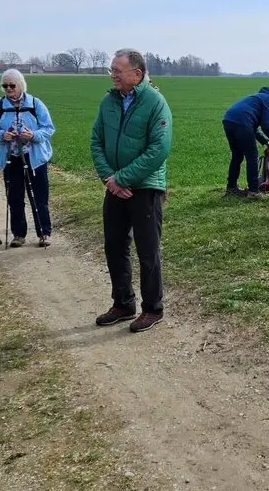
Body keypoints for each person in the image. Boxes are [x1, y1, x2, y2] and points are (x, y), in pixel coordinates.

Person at [90, 49, 173, 333]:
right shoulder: (108, 102)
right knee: (114, 246)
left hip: (145, 187)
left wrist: (123, 178)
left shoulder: (155, 102)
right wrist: (109, 178)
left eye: (117, 70)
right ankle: (123, 303)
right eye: (111, 69)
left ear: (136, 74)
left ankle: (153, 309)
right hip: (114, 185)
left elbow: (158, 149)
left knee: (148, 250)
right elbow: (96, 141)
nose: (112, 74)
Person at [0, 68, 56, 247]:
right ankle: (19, 235)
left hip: (34, 158)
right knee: (14, 198)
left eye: (12, 85)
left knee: (39, 197)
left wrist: (33, 135)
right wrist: (2, 135)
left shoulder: (35, 103)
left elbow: (48, 128)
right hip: (11, 157)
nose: (8, 89)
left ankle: (44, 233)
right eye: (5, 85)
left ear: (21, 85)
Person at [222, 87, 269, 198]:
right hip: (242, 122)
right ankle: (254, 191)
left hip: (229, 120)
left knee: (237, 156)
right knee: (252, 156)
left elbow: (253, 129)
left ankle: (231, 188)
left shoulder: (260, 99)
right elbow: (266, 126)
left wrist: (268, 143)